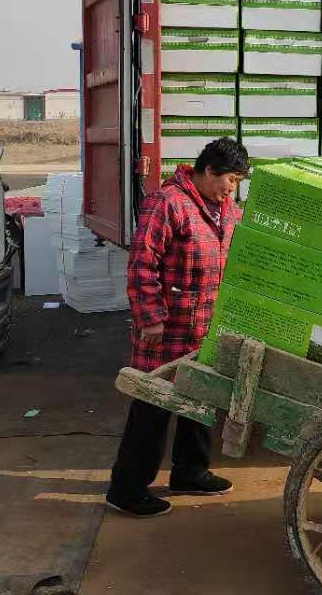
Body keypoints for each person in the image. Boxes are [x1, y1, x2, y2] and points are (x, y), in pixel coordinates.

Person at [106, 137, 250, 519]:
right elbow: (141, 263)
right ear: (207, 171)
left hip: (205, 326)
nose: (231, 189)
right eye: (229, 180)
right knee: (153, 406)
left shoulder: (228, 210)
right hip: (167, 327)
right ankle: (128, 489)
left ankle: (190, 472)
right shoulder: (167, 202)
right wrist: (149, 316)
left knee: (199, 400)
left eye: (236, 183)